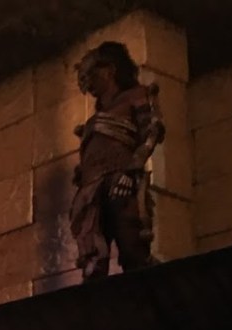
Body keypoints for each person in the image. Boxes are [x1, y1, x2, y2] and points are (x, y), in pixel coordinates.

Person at [70, 41, 165, 281]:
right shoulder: (94, 120)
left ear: (109, 70)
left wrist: (131, 170)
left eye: (92, 74)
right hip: (90, 190)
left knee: (132, 247)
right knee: (92, 259)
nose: (89, 84)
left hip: (121, 180)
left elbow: (151, 132)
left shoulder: (137, 96)